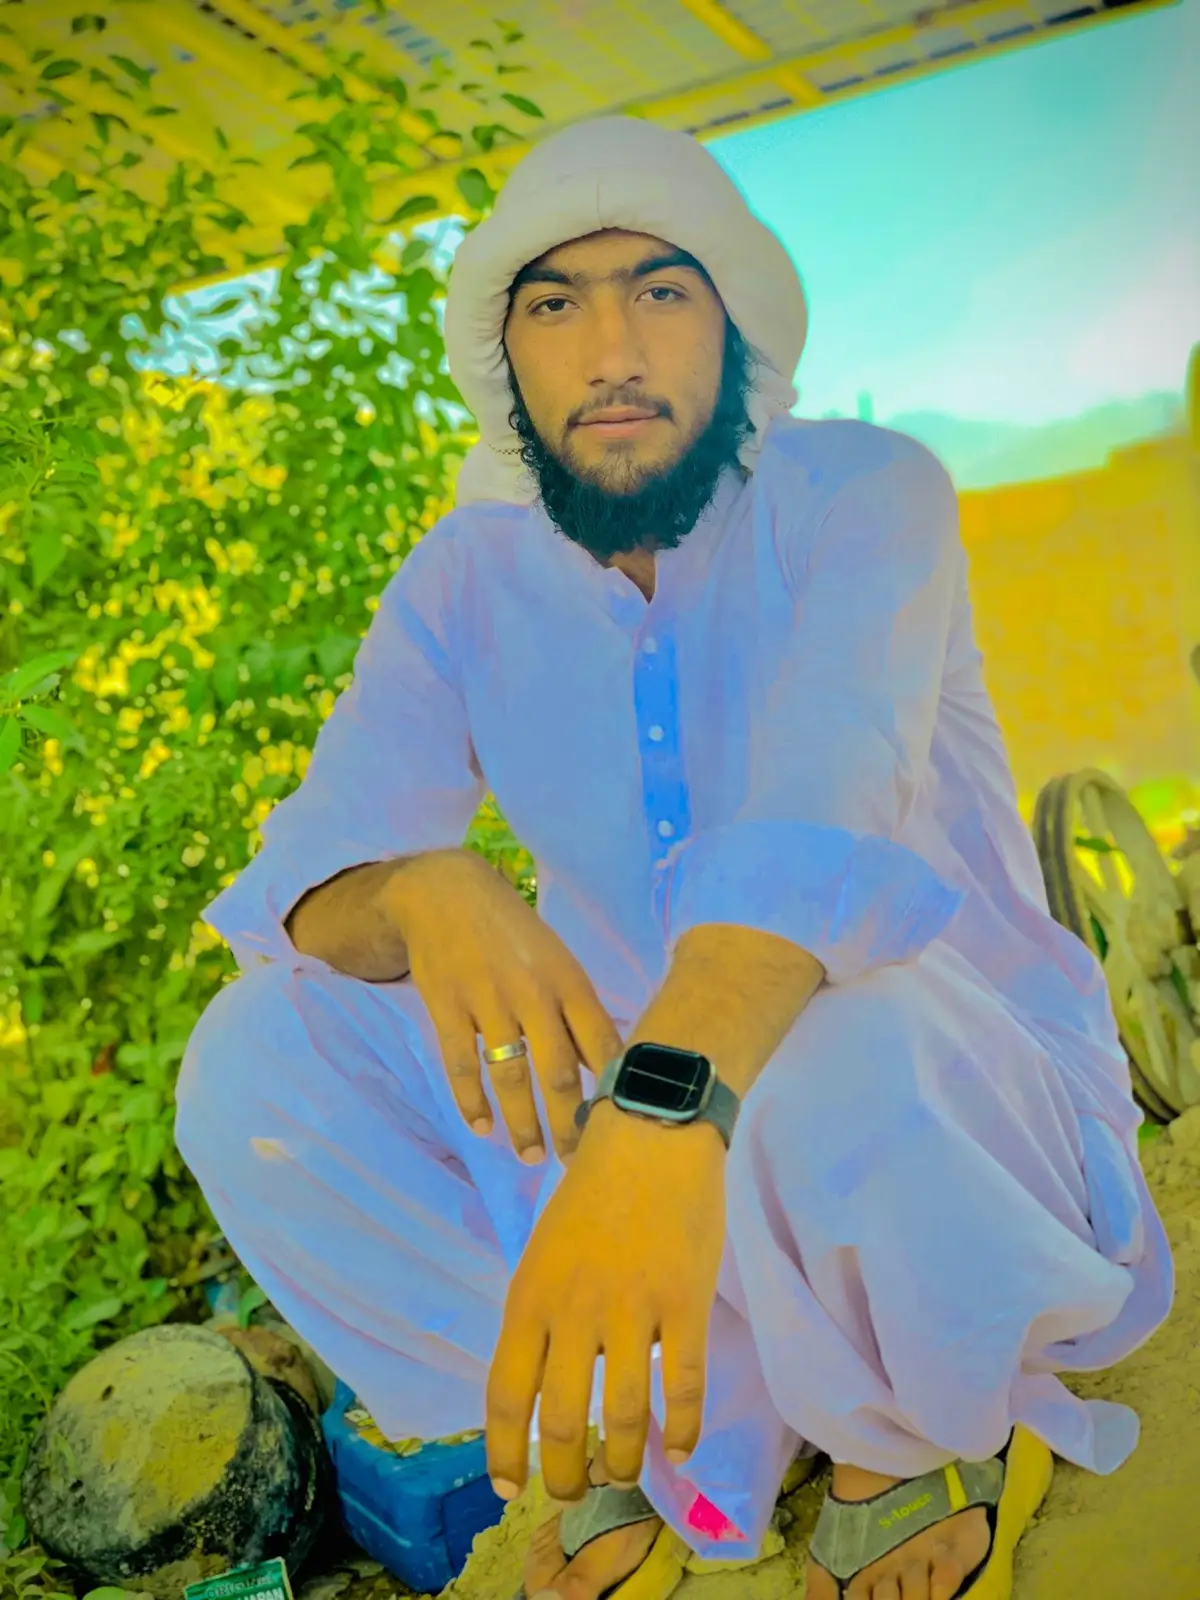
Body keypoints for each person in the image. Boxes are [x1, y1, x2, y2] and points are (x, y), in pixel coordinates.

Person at [175, 116, 1173, 1600]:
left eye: (660, 289)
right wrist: (426, 890)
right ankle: (622, 1422)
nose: (612, 348)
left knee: (824, 1024)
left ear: (733, 325)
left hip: (928, 1113)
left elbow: (820, 817)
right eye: (554, 304)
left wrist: (656, 1112)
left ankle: (907, 1430)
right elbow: (313, 871)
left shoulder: (862, 495)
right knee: (259, 1063)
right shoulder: (464, 580)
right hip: (642, 1152)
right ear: (506, 360)